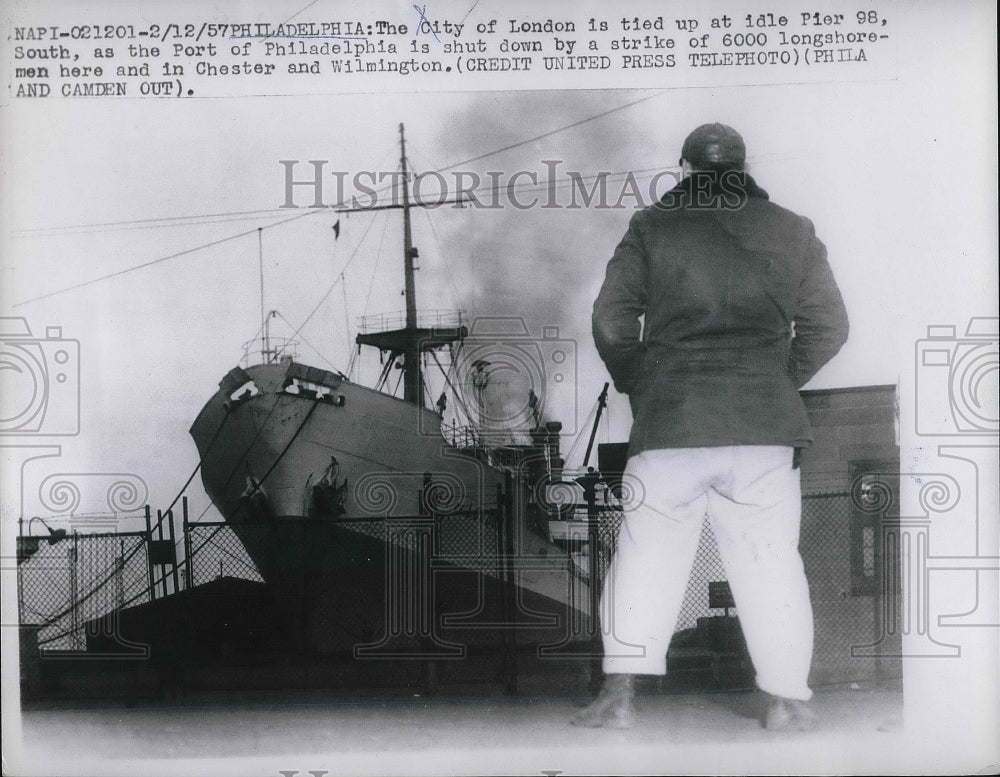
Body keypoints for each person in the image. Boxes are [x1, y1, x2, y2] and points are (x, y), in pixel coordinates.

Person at [575, 123, 849, 731]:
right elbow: (829, 327)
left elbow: (611, 321)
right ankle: (786, 704)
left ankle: (617, 700)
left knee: (644, 559)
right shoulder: (794, 230)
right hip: (764, 429)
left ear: (685, 168)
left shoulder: (651, 227)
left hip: (670, 423)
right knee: (771, 561)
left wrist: (643, 387)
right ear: (745, 167)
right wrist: (775, 382)